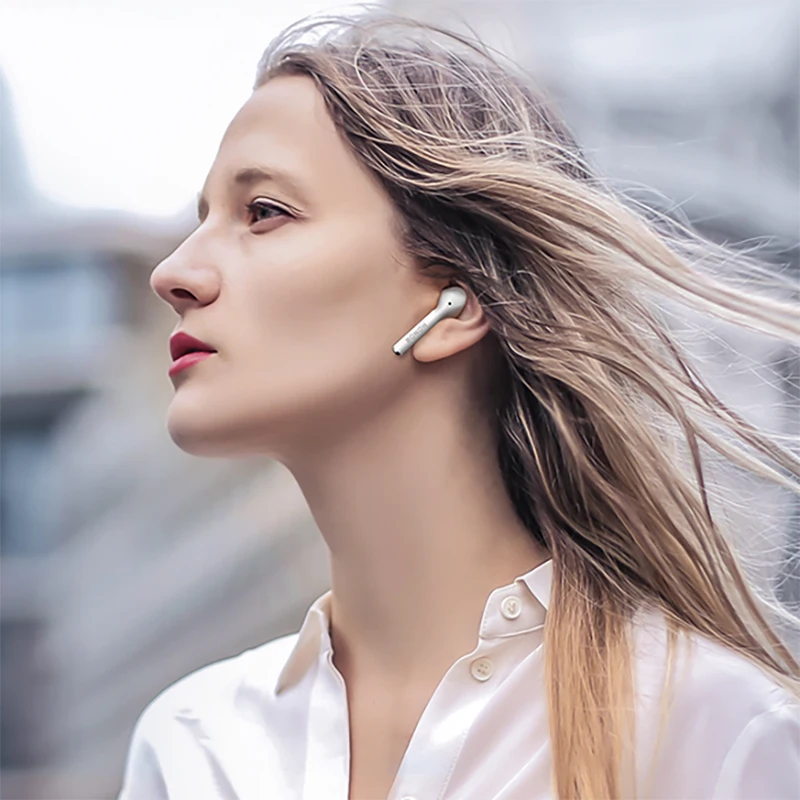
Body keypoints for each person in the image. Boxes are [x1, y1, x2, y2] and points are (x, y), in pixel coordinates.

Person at [118, 7, 800, 799]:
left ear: (457, 303)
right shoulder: (190, 743)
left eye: (263, 212)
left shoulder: (710, 728)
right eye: (202, 218)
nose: (173, 271)